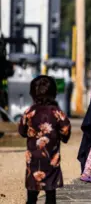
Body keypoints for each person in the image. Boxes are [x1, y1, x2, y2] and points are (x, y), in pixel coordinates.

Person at [18, 75, 71, 204]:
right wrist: (62, 137)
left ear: (32, 94)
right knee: (50, 192)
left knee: (32, 191)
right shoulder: (57, 113)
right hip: (51, 159)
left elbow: (22, 131)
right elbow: (65, 130)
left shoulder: (29, 112)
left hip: (33, 160)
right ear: (54, 93)